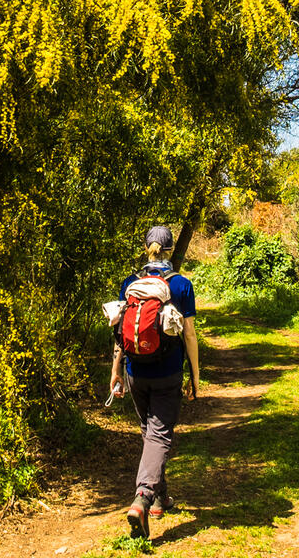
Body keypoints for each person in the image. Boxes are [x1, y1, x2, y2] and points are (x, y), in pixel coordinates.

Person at [110, 225, 200, 539]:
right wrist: (196, 377)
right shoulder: (181, 285)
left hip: (136, 372)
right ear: (170, 248)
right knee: (159, 436)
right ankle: (143, 498)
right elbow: (189, 334)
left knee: (150, 434)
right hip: (168, 372)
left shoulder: (129, 284)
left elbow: (121, 334)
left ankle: (160, 499)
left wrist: (116, 371)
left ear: (146, 247)